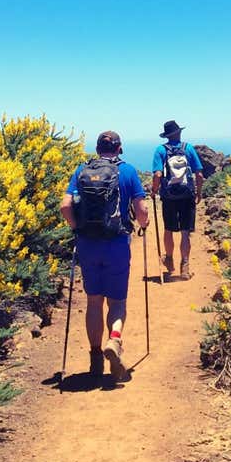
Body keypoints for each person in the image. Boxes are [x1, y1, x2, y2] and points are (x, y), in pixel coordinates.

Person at [60, 131, 148, 382]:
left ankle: (96, 357)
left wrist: (77, 228)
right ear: (119, 148)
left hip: (88, 244)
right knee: (117, 302)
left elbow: (66, 206)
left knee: (94, 301)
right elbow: (141, 210)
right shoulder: (128, 172)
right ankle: (115, 340)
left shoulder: (81, 171)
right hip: (117, 244)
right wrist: (145, 223)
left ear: (97, 149)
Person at [151, 120, 203, 279]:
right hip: (187, 195)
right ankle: (185, 267)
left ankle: (170, 260)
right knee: (185, 232)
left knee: (168, 229)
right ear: (179, 133)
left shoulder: (160, 150)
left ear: (166, 136)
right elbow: (199, 174)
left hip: (169, 196)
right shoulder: (188, 148)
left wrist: (154, 191)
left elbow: (157, 174)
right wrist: (198, 192)